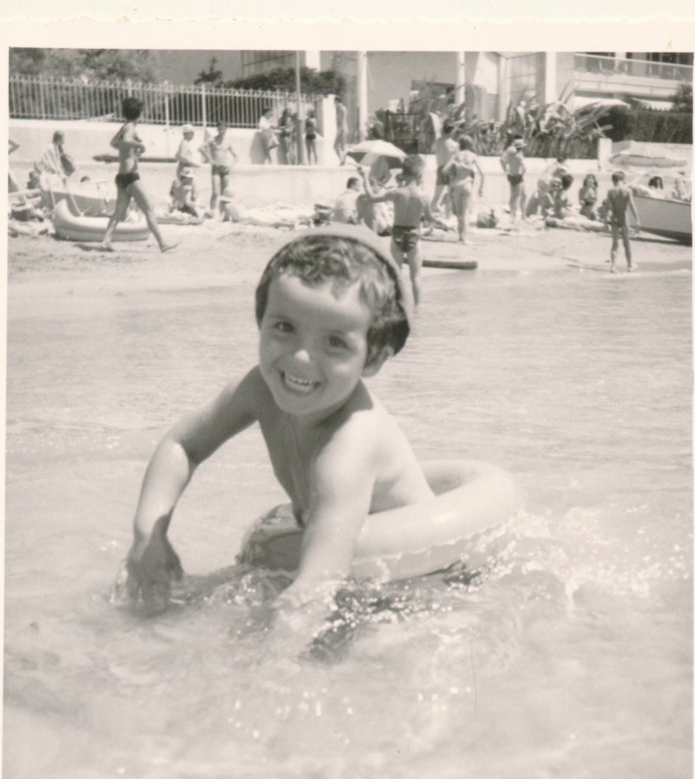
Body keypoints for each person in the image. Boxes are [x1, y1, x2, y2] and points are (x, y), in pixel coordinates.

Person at [114, 231, 492, 634]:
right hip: (339, 559)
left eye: (333, 342)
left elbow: (319, 580)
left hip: (417, 583)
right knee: (154, 613)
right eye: (285, 326)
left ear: (373, 358)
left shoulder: (350, 443)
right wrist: (148, 536)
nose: (299, 357)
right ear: (260, 321)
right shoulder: (258, 387)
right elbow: (182, 445)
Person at [97, 97, 173, 253]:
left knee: (119, 211)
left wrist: (131, 149)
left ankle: (106, 240)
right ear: (140, 114)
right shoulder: (131, 128)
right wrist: (140, 145)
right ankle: (163, 244)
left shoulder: (125, 126)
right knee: (149, 209)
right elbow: (126, 140)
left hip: (121, 176)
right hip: (131, 176)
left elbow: (114, 143)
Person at [361, 154, 429, 306]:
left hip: (397, 233)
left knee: (396, 275)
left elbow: (371, 197)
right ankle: (418, 311)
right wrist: (436, 222)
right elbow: (430, 218)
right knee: (416, 277)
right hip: (413, 233)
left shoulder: (396, 193)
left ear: (403, 174)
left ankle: (395, 306)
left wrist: (365, 176)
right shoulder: (424, 196)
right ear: (420, 174)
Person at [446, 137, 486, 245]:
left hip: (456, 185)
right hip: (467, 185)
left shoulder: (456, 156)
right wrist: (481, 188)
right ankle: (465, 238)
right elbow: (482, 174)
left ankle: (460, 236)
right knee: (466, 212)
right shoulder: (473, 156)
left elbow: (445, 170)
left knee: (458, 212)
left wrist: (457, 165)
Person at [603, 169, 641, 272]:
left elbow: (608, 207)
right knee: (627, 243)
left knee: (615, 243)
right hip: (624, 218)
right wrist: (637, 220)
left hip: (615, 218)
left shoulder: (610, 191)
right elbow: (632, 206)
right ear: (623, 180)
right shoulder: (627, 191)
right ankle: (629, 266)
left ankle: (613, 267)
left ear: (613, 180)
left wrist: (605, 221)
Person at [205, 122, 237, 221]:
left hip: (225, 169)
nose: (222, 131)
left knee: (225, 193)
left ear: (226, 130)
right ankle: (212, 213)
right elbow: (201, 148)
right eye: (220, 129)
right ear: (217, 129)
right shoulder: (212, 140)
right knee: (215, 192)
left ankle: (224, 214)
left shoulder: (227, 142)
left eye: (224, 129)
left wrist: (231, 166)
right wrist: (209, 159)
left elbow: (236, 156)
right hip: (216, 169)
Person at [501, 137, 527, 233]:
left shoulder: (511, 155)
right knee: (515, 197)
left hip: (512, 175)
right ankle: (513, 217)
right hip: (518, 176)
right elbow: (524, 168)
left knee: (522, 195)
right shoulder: (518, 156)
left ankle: (522, 215)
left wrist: (506, 171)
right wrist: (521, 174)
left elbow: (502, 160)